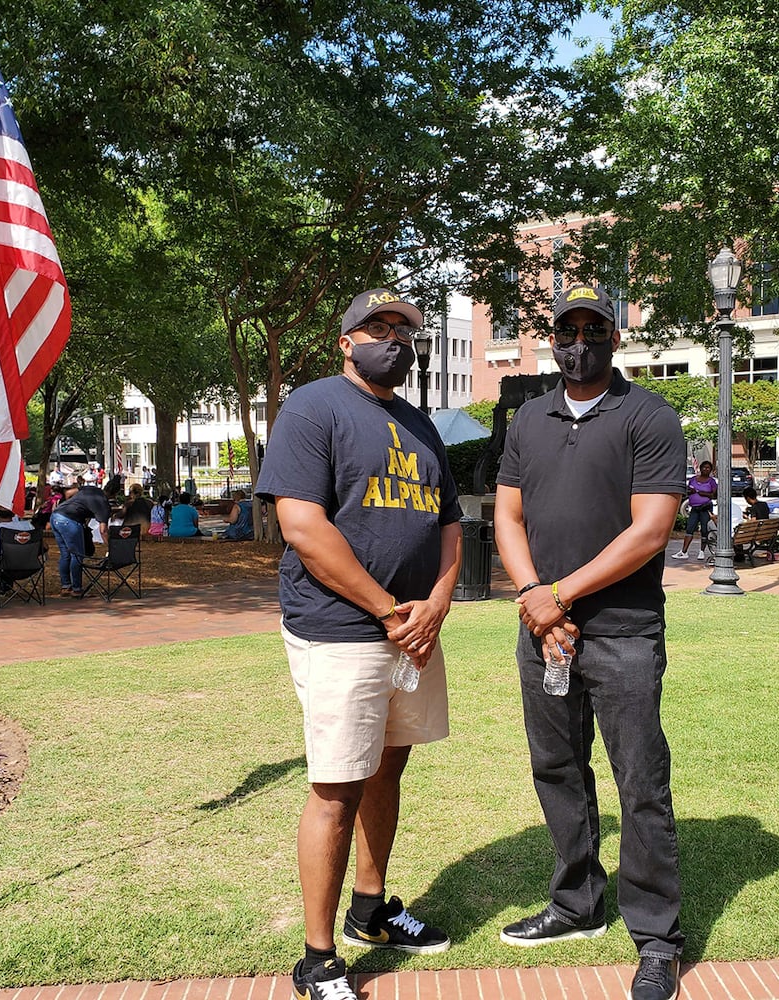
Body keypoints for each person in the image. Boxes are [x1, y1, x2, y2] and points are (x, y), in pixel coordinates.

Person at [254, 287, 463, 1000]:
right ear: (345, 341)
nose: (393, 339)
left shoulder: (420, 424)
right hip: (341, 628)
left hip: (412, 630)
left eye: (404, 329)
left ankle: (369, 911)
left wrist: (434, 603)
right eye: (378, 328)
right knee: (336, 787)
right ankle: (316, 959)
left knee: (387, 770)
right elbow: (304, 528)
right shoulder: (313, 408)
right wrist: (387, 612)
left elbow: (449, 526)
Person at [493, 283, 687, 1000]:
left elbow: (649, 531)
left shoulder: (648, 416)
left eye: (592, 329)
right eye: (566, 330)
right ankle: (576, 904)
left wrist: (559, 595)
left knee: (640, 782)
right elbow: (508, 518)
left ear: (615, 336)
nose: (579, 342)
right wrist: (532, 600)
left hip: (621, 630)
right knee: (558, 770)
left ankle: (657, 940)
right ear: (551, 337)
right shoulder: (528, 419)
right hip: (543, 629)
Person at [49, 476, 110, 598]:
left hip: (55, 516)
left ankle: (66, 586)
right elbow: (103, 531)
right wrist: (111, 547)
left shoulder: (90, 489)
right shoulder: (103, 505)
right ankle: (77, 589)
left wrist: (65, 504)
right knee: (77, 555)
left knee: (65, 554)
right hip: (70, 521)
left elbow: (69, 492)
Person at [673, 460, 717, 561]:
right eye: (704, 467)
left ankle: (702, 551)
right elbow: (688, 491)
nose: (705, 469)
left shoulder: (711, 481)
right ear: (700, 468)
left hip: (705, 508)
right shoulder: (693, 479)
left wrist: (700, 492)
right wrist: (690, 491)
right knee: (690, 528)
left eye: (708, 468)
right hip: (694, 508)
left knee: (705, 529)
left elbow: (713, 495)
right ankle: (684, 551)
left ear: (710, 470)